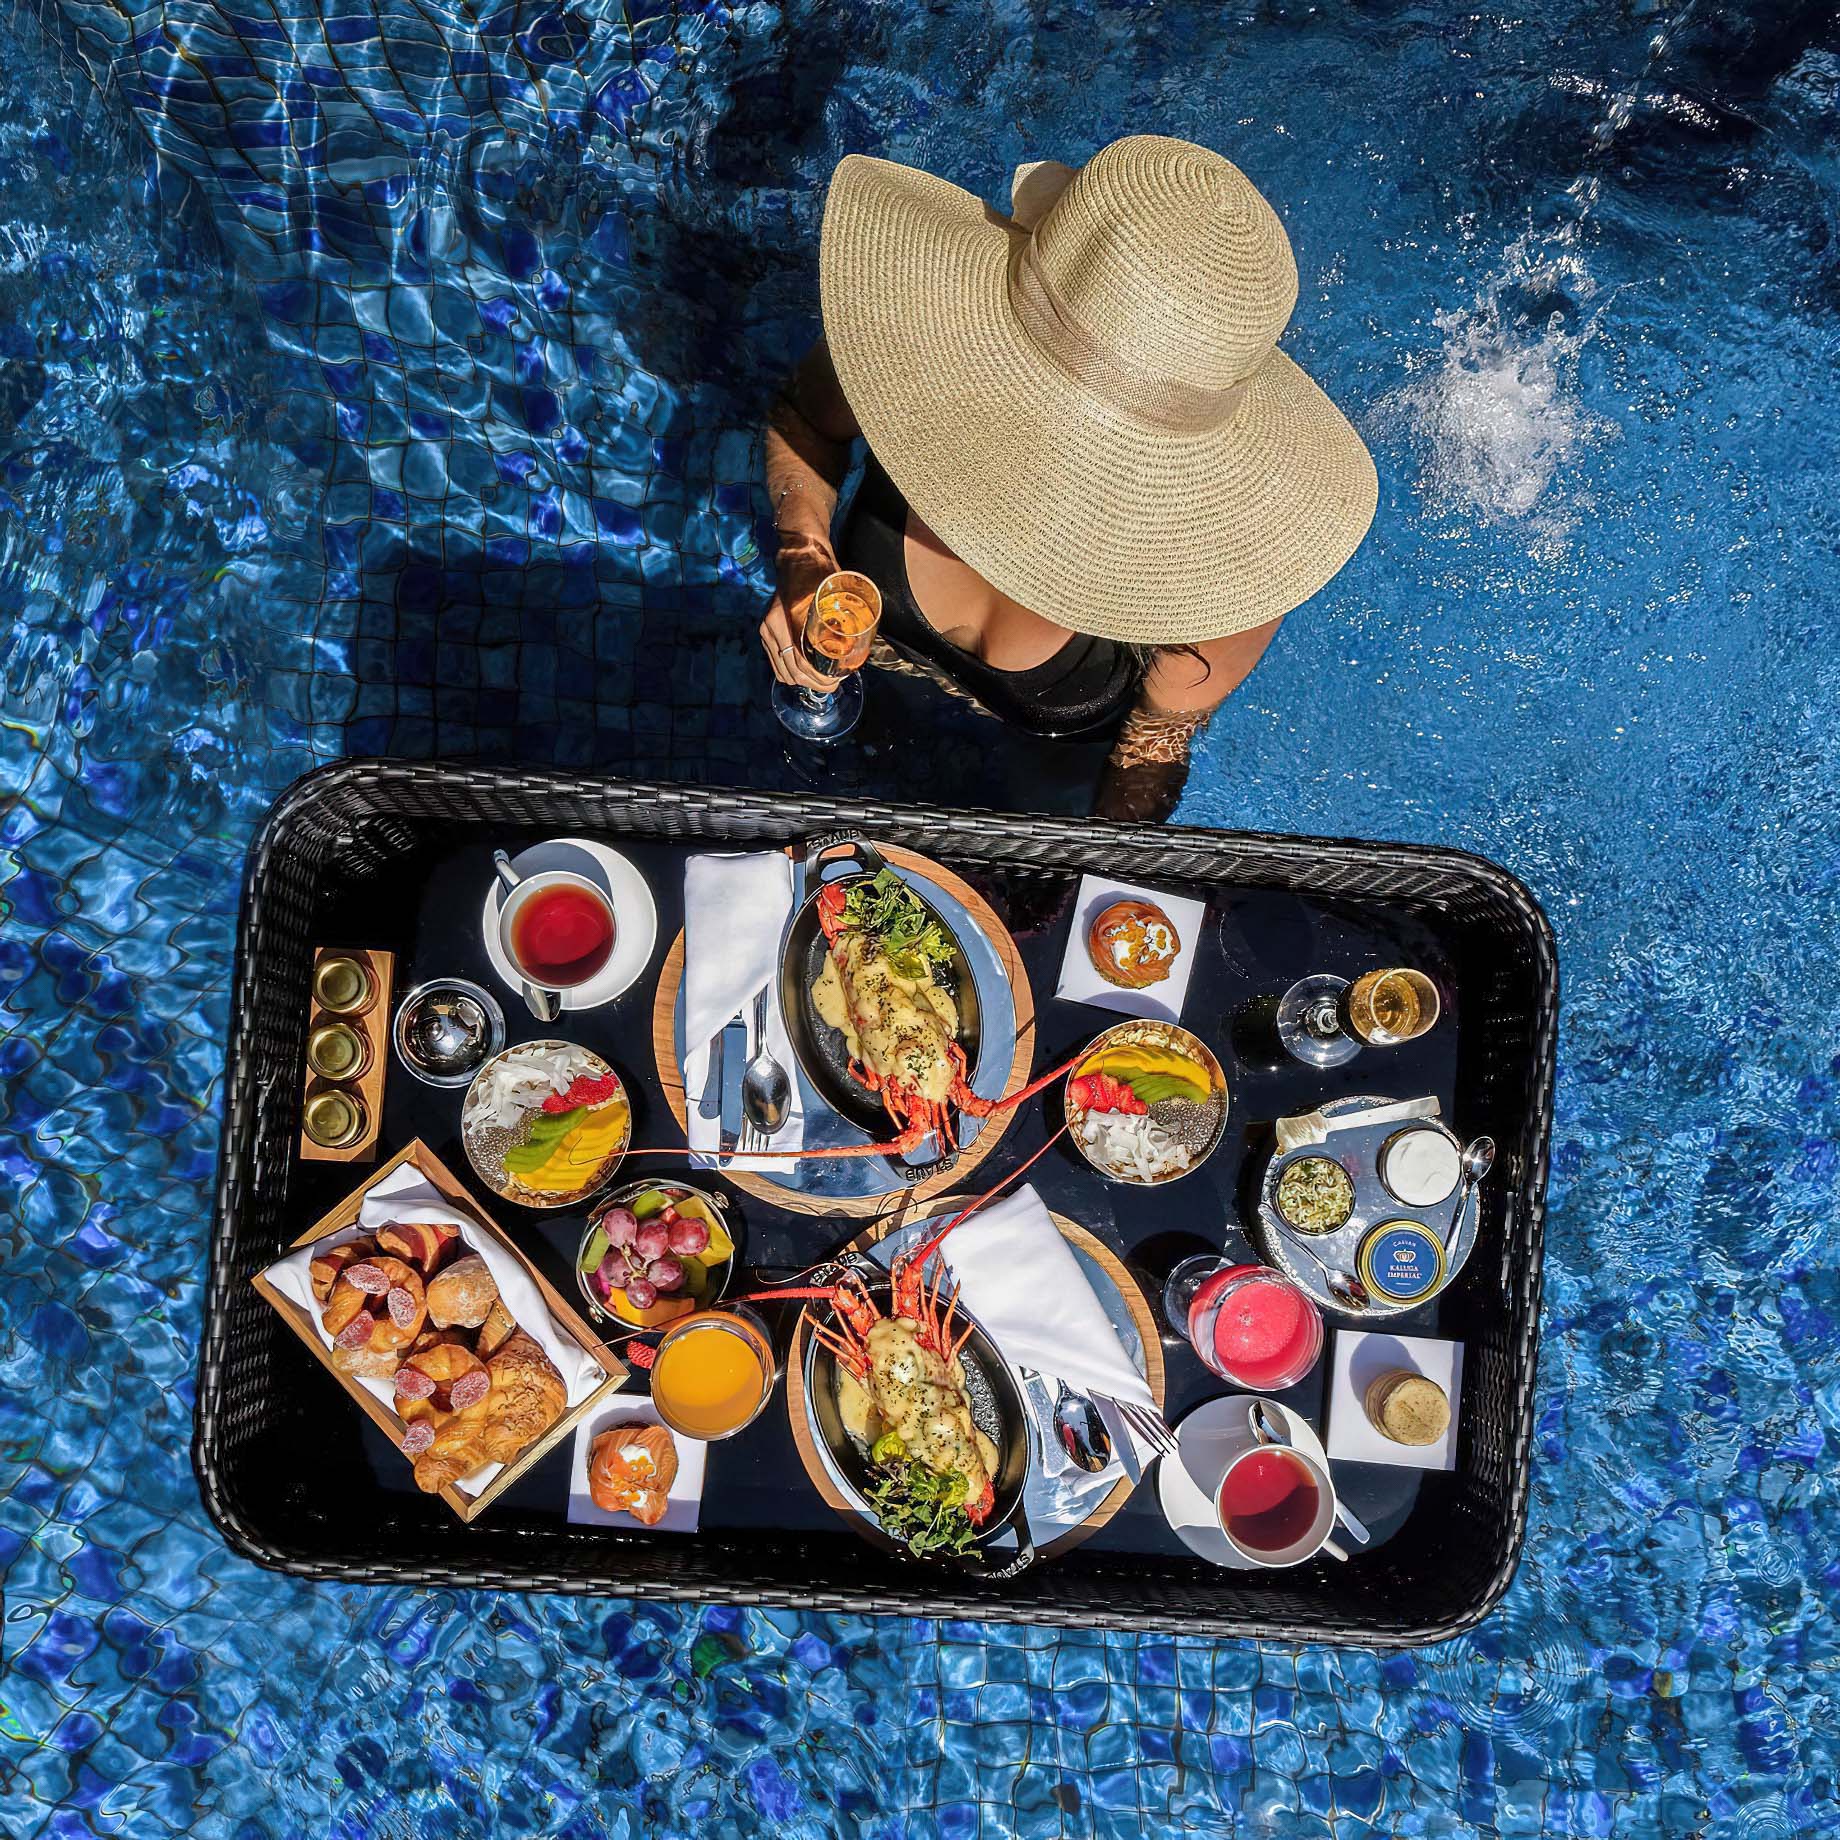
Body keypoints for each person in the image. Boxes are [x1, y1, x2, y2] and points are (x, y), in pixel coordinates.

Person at [761, 134, 1378, 822]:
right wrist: (802, 549)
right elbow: (804, 418)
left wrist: (1088, 873)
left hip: (1025, 788)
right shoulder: (911, 349)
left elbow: (1153, 745)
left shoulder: (1238, 565)